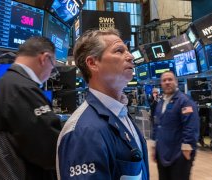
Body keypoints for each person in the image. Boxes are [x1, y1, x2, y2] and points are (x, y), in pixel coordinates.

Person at [56, 29, 149, 179]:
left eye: (127, 50)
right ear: (93, 63)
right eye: (119, 51)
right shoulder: (84, 131)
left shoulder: (121, 114)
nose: (130, 56)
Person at [0, 37, 63, 180]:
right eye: (53, 66)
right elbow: (48, 150)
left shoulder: (1, 84)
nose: (50, 73)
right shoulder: (23, 89)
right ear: (44, 58)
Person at [152, 71, 199, 180]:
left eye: (170, 79)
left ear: (176, 82)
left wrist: (187, 149)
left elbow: (191, 126)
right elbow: (157, 125)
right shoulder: (161, 103)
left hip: (179, 154)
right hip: (163, 153)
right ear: (161, 84)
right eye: (164, 80)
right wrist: (155, 146)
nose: (167, 82)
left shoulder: (185, 101)